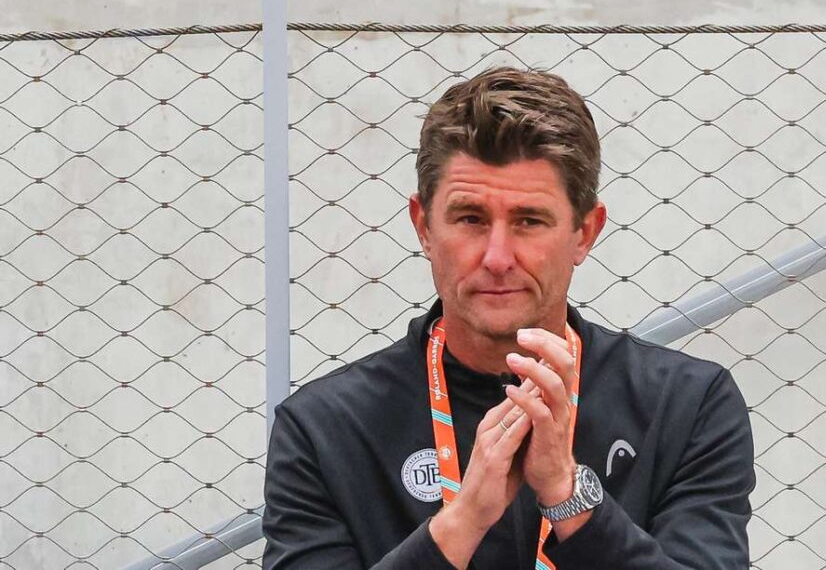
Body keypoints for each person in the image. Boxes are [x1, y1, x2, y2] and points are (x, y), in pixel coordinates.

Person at [262, 67, 755, 569]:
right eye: (470, 219)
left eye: (529, 221)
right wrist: (463, 521)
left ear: (585, 233)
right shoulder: (324, 429)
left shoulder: (686, 406)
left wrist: (569, 495)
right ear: (424, 227)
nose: (497, 258)